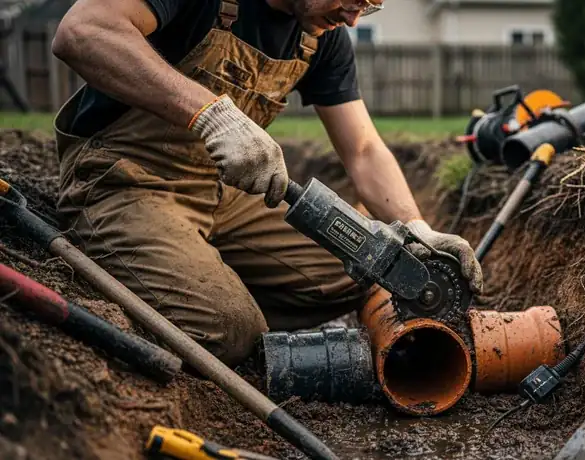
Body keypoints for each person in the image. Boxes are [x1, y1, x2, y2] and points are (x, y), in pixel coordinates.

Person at [49, 0, 483, 369]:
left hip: (218, 191)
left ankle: (196, 275)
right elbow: (83, 31)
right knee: (229, 331)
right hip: (125, 179)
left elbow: (363, 148)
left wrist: (414, 227)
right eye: (354, 0)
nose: (354, 19)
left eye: (370, 6)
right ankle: (165, 277)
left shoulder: (320, 33)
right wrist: (208, 113)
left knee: (365, 268)